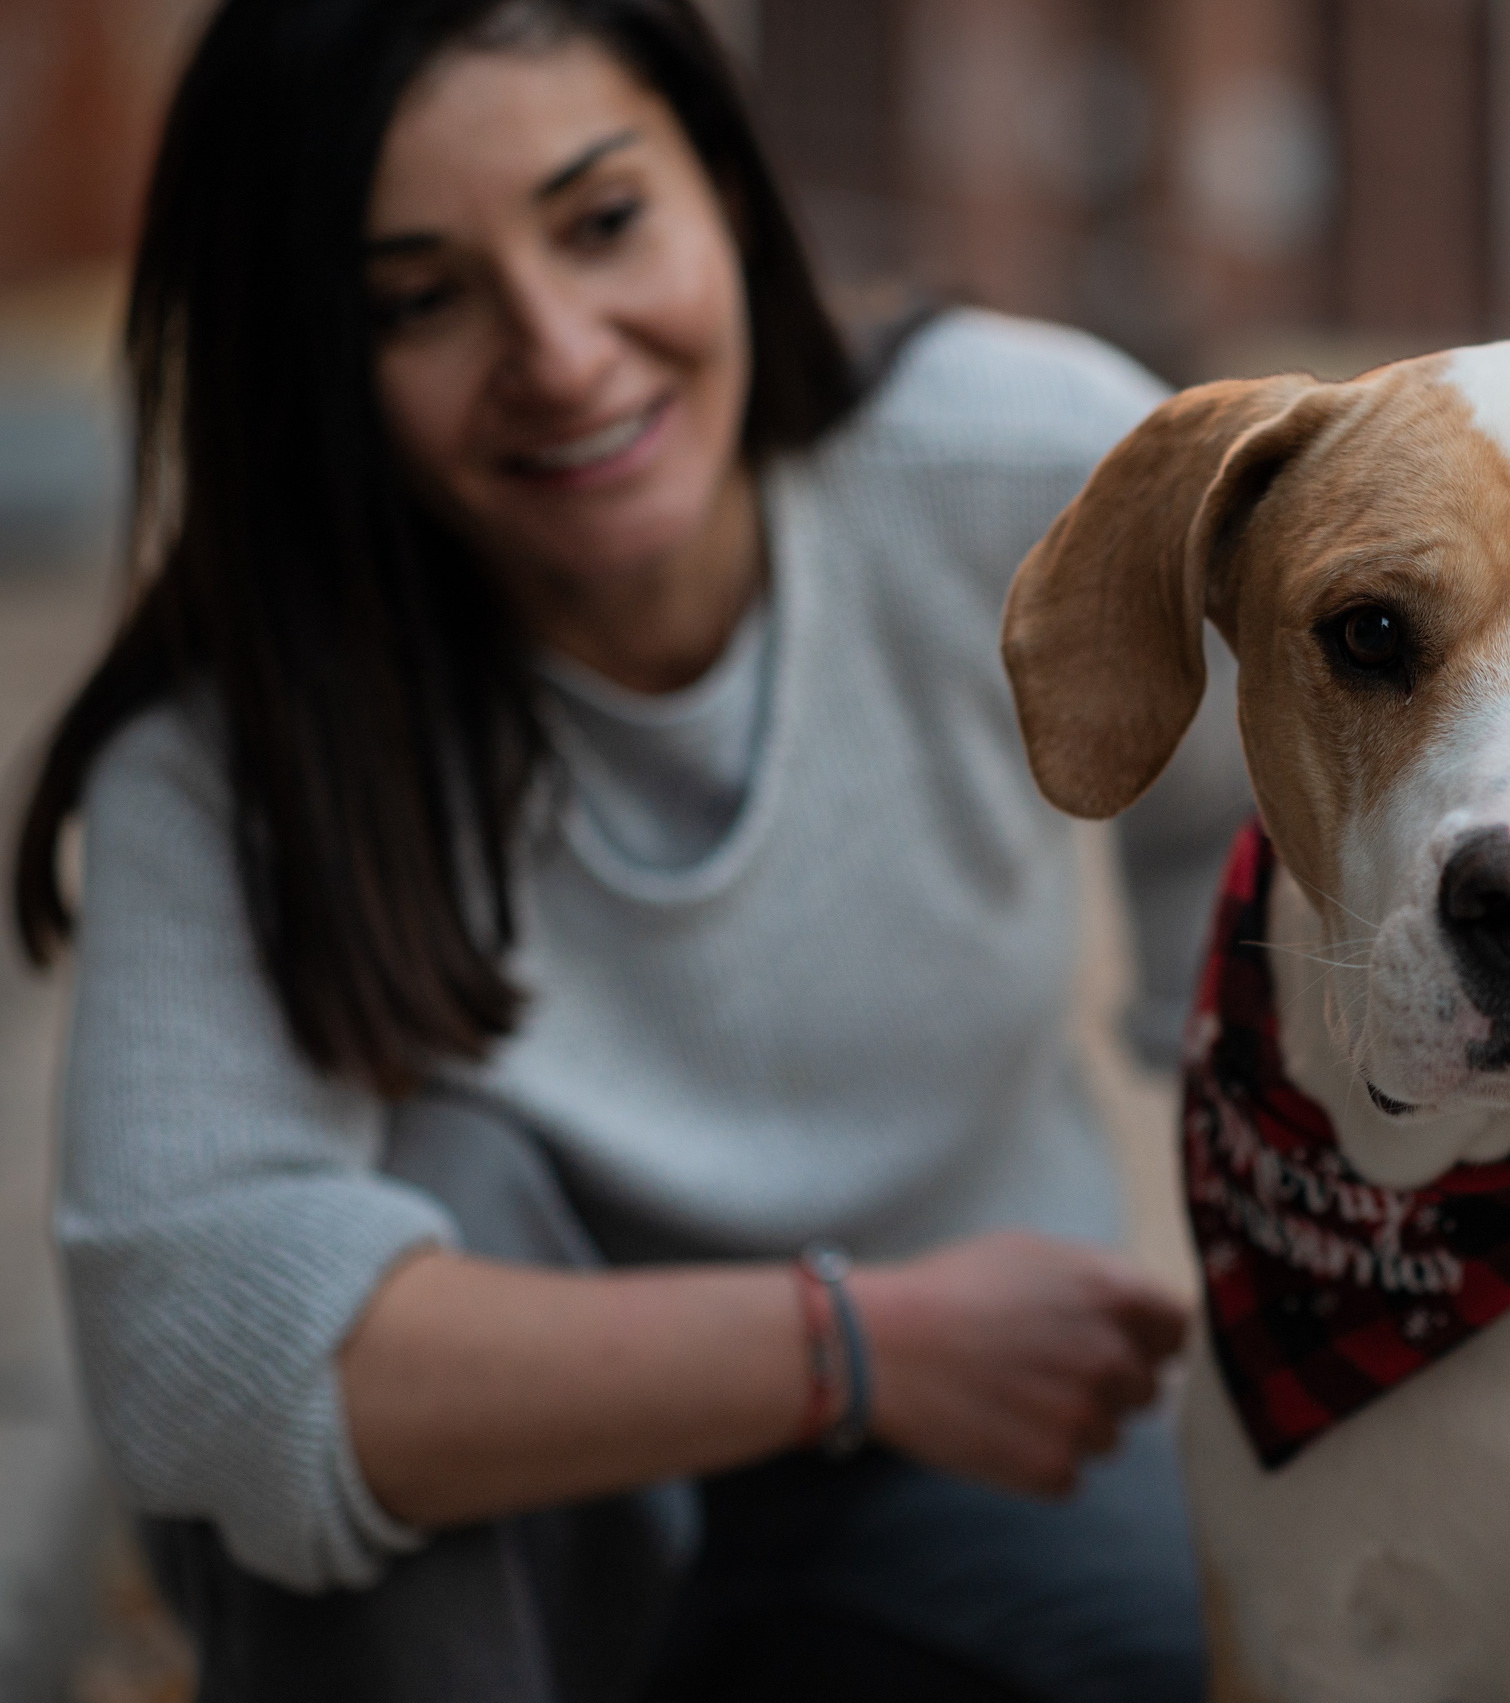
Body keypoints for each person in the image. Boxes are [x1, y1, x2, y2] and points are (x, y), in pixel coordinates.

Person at [8, 2, 1250, 1698]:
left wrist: (1267, 1156)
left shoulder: (1020, 473)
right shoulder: (233, 748)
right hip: (508, 1515)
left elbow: (1275, 824)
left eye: (603, 223)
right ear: (308, 352)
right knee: (428, 1186)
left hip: (985, 1442)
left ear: (725, 191)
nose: (564, 352)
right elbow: (204, 1357)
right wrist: (849, 1343)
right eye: (418, 299)